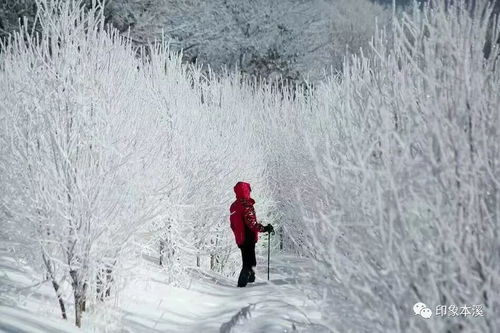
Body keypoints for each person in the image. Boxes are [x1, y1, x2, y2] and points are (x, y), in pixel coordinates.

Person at [230, 181, 273, 287]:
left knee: (249, 262)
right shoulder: (246, 205)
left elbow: (232, 224)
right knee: (249, 264)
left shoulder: (234, 206)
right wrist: (265, 228)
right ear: (247, 191)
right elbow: (252, 224)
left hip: (240, 239)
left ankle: (250, 282)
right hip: (248, 237)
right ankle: (244, 287)